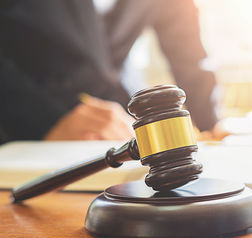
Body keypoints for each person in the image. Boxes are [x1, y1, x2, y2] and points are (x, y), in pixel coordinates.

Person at [0, 0, 224, 144]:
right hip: (20, 130)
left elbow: (189, 56)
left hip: (111, 132)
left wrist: (212, 129)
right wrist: (46, 121)